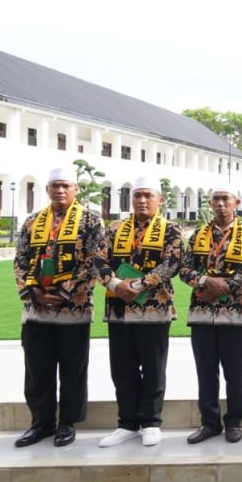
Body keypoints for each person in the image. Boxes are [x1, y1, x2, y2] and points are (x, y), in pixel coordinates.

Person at [12, 167, 104, 448]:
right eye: (55, 186)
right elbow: (20, 259)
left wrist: (65, 291)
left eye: (65, 186)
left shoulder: (90, 220)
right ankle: (40, 423)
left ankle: (67, 423)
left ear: (76, 190)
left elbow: (94, 260)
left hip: (73, 309)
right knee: (37, 370)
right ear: (48, 190)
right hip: (36, 309)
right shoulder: (33, 221)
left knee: (72, 370)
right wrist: (33, 291)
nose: (60, 191)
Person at [97, 177, 183, 448]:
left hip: (154, 308)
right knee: (122, 369)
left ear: (160, 200)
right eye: (137, 196)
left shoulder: (170, 230)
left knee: (154, 368)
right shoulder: (114, 228)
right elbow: (98, 259)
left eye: (148, 195)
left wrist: (140, 284)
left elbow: (173, 262)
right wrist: (114, 283)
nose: (142, 201)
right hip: (119, 308)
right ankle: (127, 423)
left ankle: (150, 422)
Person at [179, 184, 242, 444]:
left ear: (236, 202)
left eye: (226, 199)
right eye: (216, 199)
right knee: (205, 370)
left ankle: (234, 421)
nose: (220, 204)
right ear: (210, 204)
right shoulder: (197, 234)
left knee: (234, 371)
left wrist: (225, 286)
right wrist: (205, 281)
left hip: (234, 313)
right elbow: (184, 270)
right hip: (202, 312)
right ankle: (209, 423)